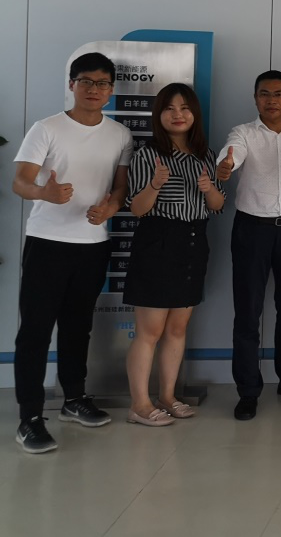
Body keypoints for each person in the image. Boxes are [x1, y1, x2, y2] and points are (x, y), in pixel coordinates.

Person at [11, 52, 132, 453]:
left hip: (93, 245)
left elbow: (120, 187)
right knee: (35, 330)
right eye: (86, 82)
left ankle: (74, 399)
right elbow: (20, 181)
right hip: (47, 242)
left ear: (111, 90)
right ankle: (30, 416)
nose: (94, 90)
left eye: (102, 83)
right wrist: (44, 193)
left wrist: (111, 208)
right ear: (72, 85)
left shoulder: (120, 135)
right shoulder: (46, 128)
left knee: (78, 327)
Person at [216, 70, 281, 421]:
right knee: (248, 313)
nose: (272, 100)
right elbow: (232, 155)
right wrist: (226, 165)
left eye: (279, 93)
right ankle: (248, 391)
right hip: (252, 231)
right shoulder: (243, 133)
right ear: (255, 97)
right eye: (264, 94)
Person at [123, 83, 225, 426]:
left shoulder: (206, 156)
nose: (178, 114)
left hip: (194, 242)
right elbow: (137, 209)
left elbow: (218, 205)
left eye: (184, 108)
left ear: (194, 113)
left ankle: (167, 396)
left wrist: (209, 189)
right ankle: (139, 405)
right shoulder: (147, 155)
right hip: (157, 242)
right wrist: (154, 185)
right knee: (149, 331)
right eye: (169, 108)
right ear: (159, 115)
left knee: (178, 329)